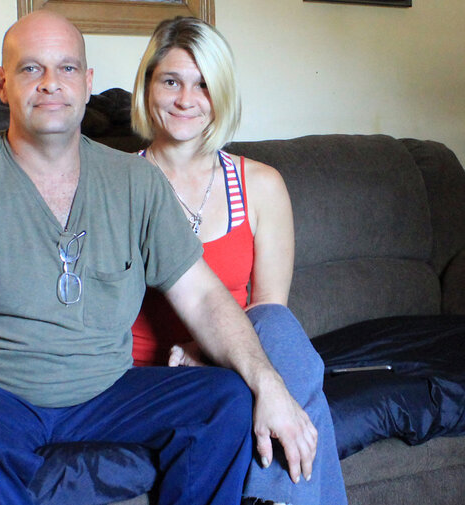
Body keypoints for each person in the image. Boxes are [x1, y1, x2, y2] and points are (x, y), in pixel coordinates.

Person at [0, 10, 317, 505]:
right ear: (2, 84)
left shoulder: (135, 182)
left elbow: (204, 297)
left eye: (67, 68)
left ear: (88, 82)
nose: (51, 83)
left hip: (107, 390)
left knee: (225, 401)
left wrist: (268, 383)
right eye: (31, 68)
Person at [130, 17, 348, 505]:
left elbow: (270, 315)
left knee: (279, 330)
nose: (186, 99)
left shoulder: (261, 185)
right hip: (156, 375)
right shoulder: (119, 184)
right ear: (147, 88)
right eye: (171, 81)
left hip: (235, 357)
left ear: (223, 94)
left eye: (204, 85)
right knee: (297, 390)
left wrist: (208, 349)